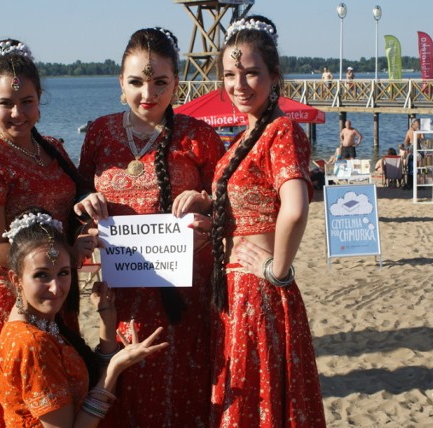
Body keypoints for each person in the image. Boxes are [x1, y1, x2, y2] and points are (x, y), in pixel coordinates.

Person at [75, 27, 225, 426]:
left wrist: (205, 207)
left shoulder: (201, 136)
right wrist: (84, 205)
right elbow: (75, 202)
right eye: (137, 82)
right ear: (120, 83)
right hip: (119, 295)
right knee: (125, 388)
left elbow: (231, 211)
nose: (149, 94)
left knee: (183, 391)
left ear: (177, 82)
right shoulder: (100, 134)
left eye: (160, 82)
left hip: (186, 295)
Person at [0, 38, 90, 427]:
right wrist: (66, 254)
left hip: (56, 291)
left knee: (61, 396)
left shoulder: (51, 148)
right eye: (6, 104)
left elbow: (72, 207)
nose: (17, 113)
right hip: (13, 298)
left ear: (40, 99)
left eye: (27, 102)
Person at [209, 15, 325, 426]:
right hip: (235, 290)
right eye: (229, 74)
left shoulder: (281, 131)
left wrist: (276, 269)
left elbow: (295, 207)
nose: (239, 85)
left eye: (251, 73)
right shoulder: (247, 136)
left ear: (274, 75)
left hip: (257, 291)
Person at [0, 208, 168, 427]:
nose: (56, 288)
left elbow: (82, 380)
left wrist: (106, 317)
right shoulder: (33, 343)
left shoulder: (42, 323)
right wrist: (114, 370)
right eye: (41, 275)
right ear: (16, 278)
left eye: (63, 273)